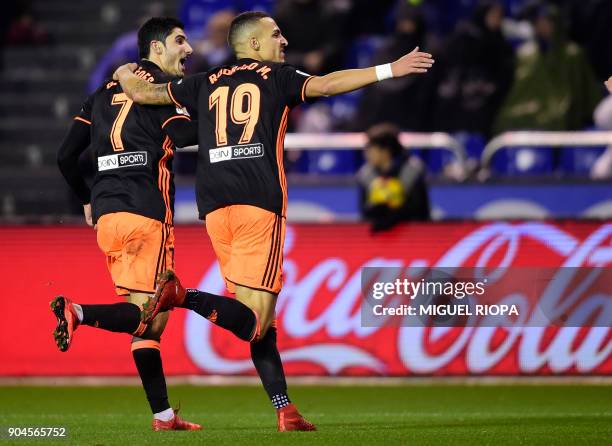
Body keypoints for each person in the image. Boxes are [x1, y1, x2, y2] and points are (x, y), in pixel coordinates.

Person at [113, 11, 434, 431]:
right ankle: (182, 294)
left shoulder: (201, 82)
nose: (283, 41)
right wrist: (389, 69)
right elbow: (327, 85)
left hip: (212, 206)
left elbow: (144, 93)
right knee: (257, 320)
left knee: (262, 323)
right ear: (255, 44)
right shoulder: (275, 75)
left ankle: (285, 410)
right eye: (276, 34)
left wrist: (123, 70)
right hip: (257, 202)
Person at [54, 17, 201, 431]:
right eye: (179, 41)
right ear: (156, 49)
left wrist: (85, 200)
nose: (188, 50)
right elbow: (187, 135)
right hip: (146, 213)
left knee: (149, 322)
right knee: (148, 314)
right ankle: (77, 312)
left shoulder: (101, 93)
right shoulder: (162, 93)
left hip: (107, 216)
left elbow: (65, 158)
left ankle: (164, 416)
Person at [357, 123, 430, 232]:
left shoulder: (412, 171)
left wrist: (394, 213)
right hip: (377, 237)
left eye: (371, 149)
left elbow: (419, 211)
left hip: (412, 235)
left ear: (385, 151)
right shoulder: (366, 174)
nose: (366, 154)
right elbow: (364, 213)